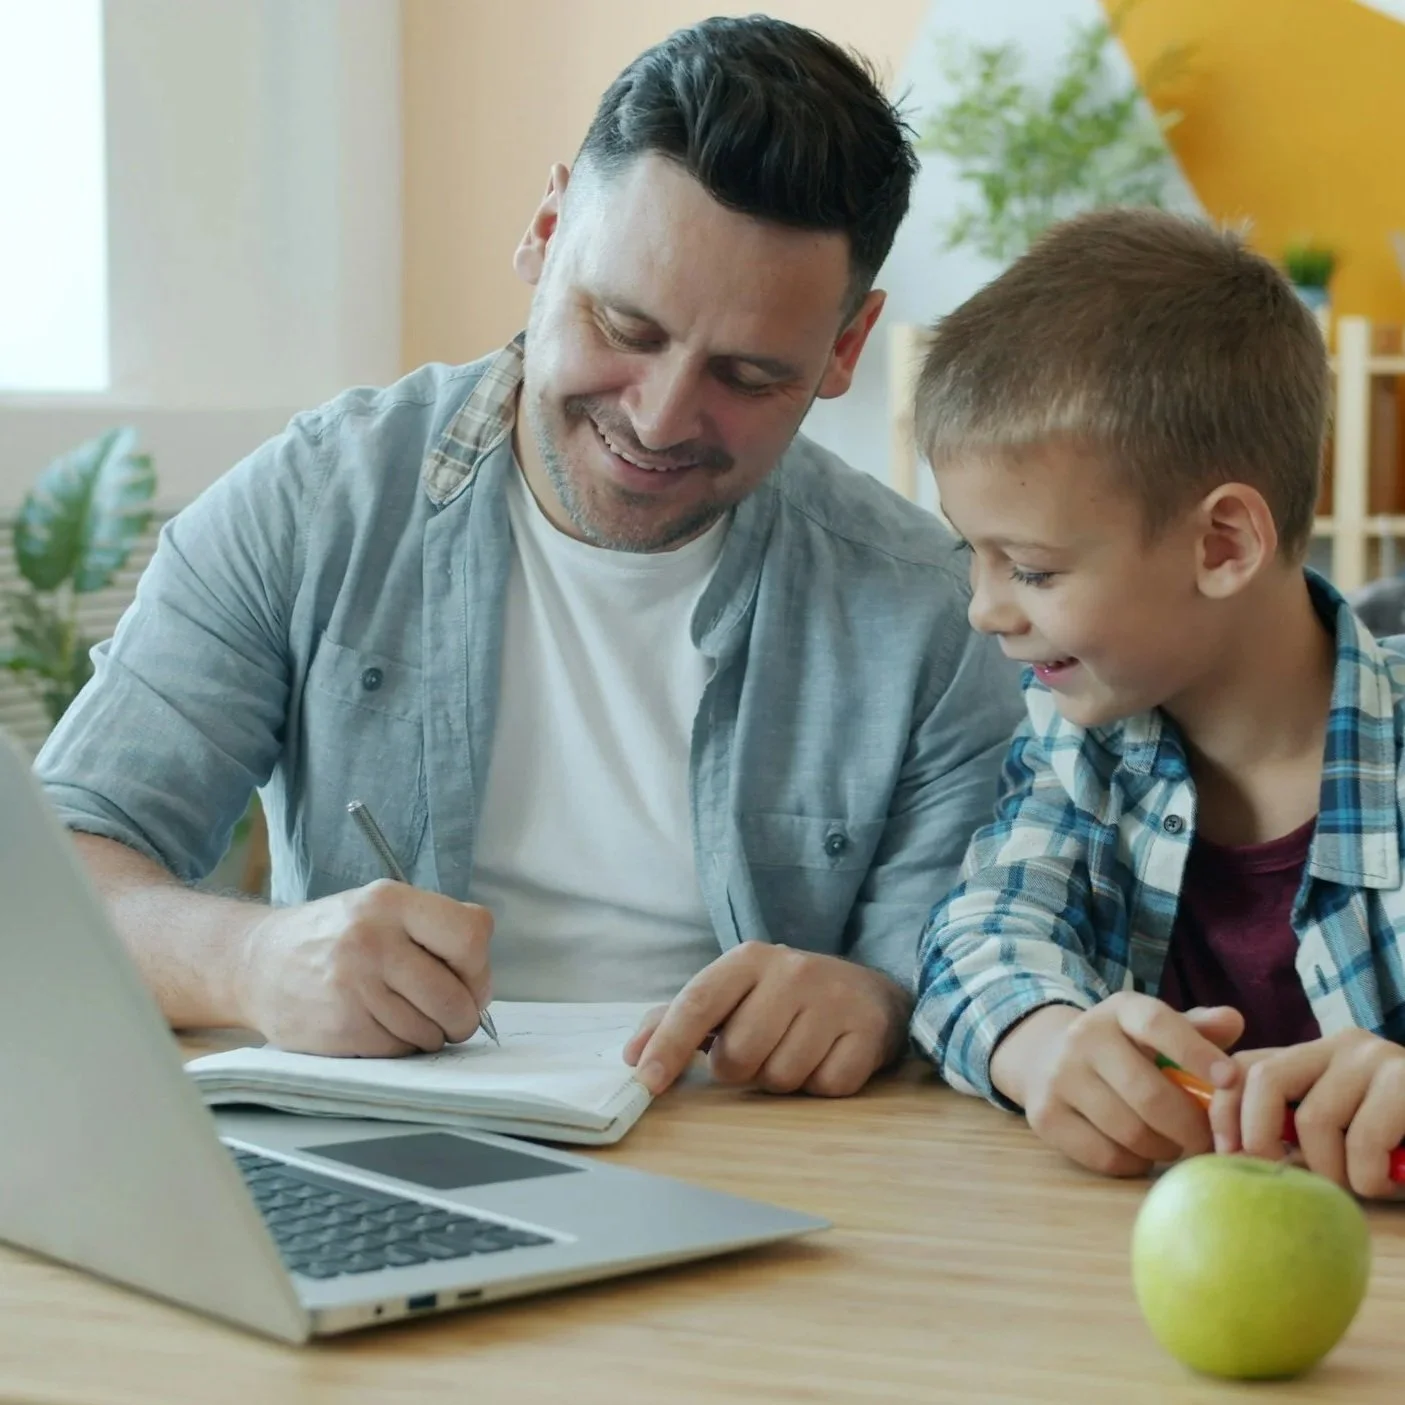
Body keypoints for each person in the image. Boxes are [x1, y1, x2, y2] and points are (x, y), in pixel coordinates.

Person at [37, 16, 1020, 1099]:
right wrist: (256, 959)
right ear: (547, 231)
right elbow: (46, 875)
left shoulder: (933, 613)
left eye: (745, 376)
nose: (657, 417)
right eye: (624, 326)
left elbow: (960, 969)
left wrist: (876, 1002)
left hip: (770, 1177)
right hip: (384, 1149)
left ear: (843, 348)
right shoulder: (314, 505)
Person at [910, 207, 1405, 1198]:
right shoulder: (1079, 739)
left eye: (1033, 569)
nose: (983, 610)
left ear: (1222, 545)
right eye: (976, 554)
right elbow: (978, 932)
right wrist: (1042, 1044)